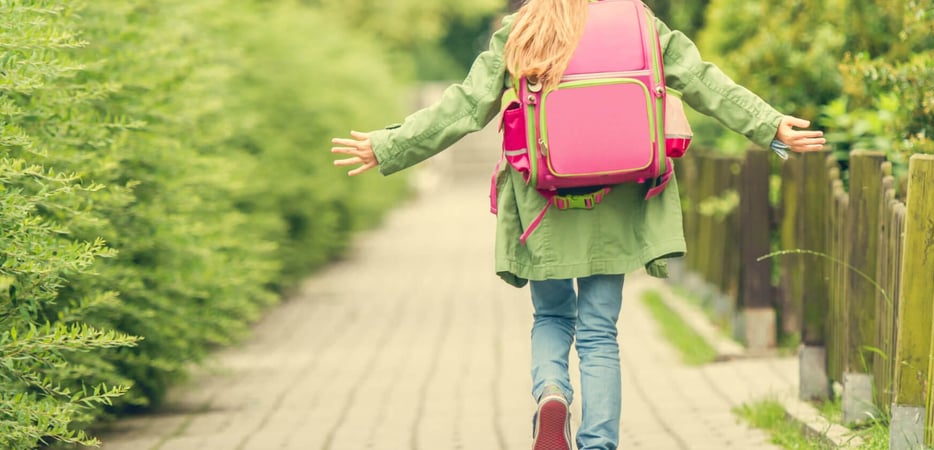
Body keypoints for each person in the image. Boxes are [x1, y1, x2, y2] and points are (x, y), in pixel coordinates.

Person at [330, 1, 825, 449]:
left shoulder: (524, 29)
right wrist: (770, 126)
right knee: (598, 333)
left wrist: (388, 145)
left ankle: (551, 394)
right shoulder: (639, 23)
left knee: (551, 318)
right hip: (617, 197)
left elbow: (463, 106)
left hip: (545, 200)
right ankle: (598, 444)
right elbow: (703, 81)